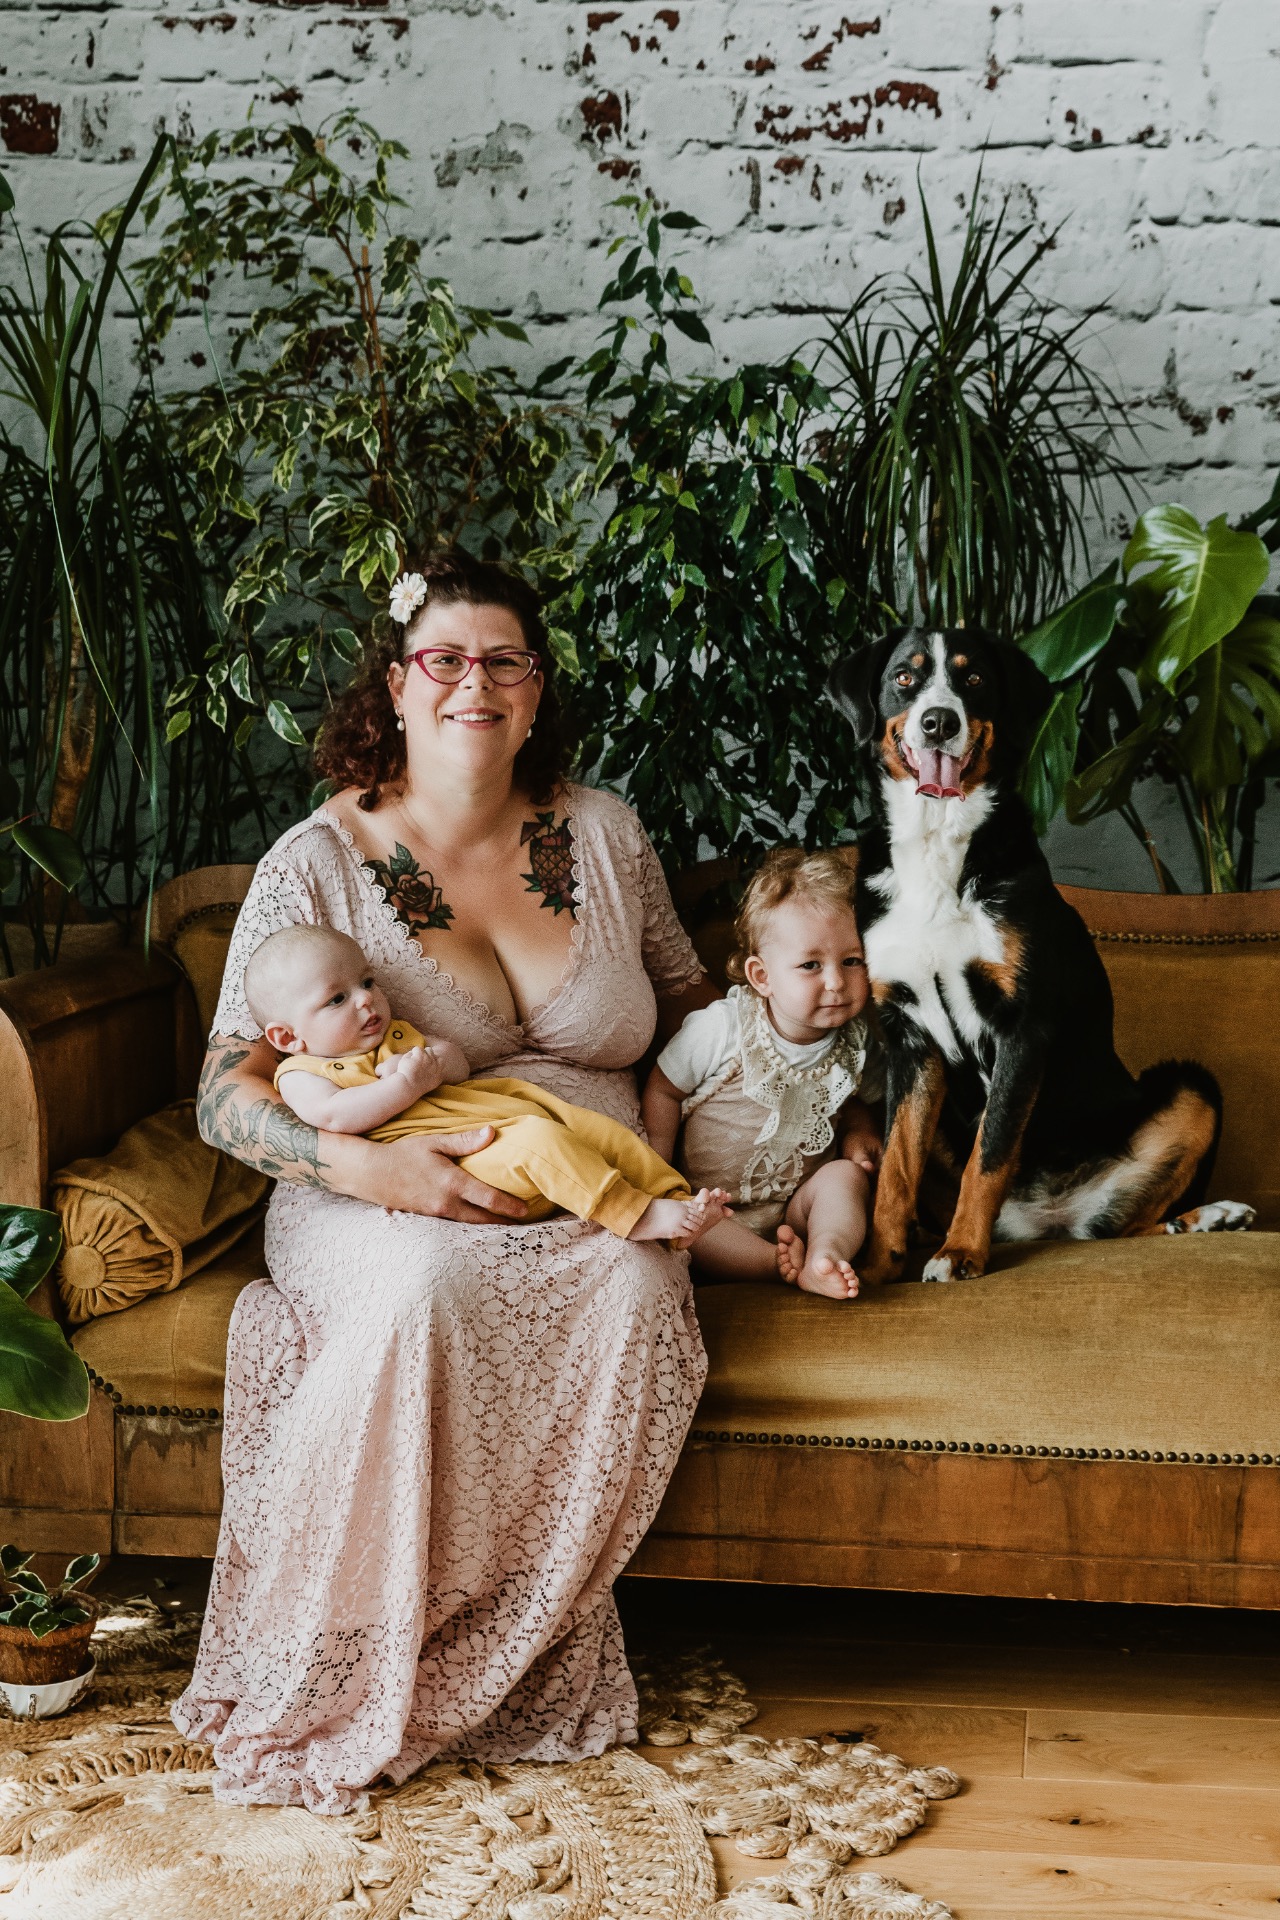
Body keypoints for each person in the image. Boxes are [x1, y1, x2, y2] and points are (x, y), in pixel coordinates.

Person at [172, 548, 717, 1814]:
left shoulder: (604, 831)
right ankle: (357, 1658)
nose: (475, 680)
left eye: (504, 660)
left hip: (586, 1184)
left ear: (534, 691)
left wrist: (815, 1134)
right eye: (445, 659)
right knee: (419, 1288)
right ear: (399, 687)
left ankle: (498, 1653)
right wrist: (368, 1162)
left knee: (637, 1299)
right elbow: (221, 1093)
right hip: (381, 1190)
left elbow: (694, 1003)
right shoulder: (312, 863)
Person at [246, 922, 731, 1247]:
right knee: (538, 1142)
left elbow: (455, 1066)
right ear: (288, 1037)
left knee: (599, 1131)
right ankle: (635, 1216)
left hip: (498, 1120)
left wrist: (435, 1061)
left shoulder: (395, 1036)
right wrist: (401, 1088)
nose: (365, 1002)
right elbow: (336, 1118)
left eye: (368, 983)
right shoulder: (301, 1075)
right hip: (464, 1159)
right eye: (336, 999)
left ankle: (676, 1201)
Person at [641, 848, 883, 1300]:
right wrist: (658, 1163)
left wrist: (860, 1133)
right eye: (811, 965)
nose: (835, 981)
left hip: (797, 1207)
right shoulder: (723, 1027)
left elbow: (855, 1099)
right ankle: (774, 1266)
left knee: (846, 1179)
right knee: (689, 1220)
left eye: (853, 961)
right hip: (714, 1207)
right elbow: (663, 1087)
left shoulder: (859, 1039)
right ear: (762, 976)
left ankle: (825, 1252)